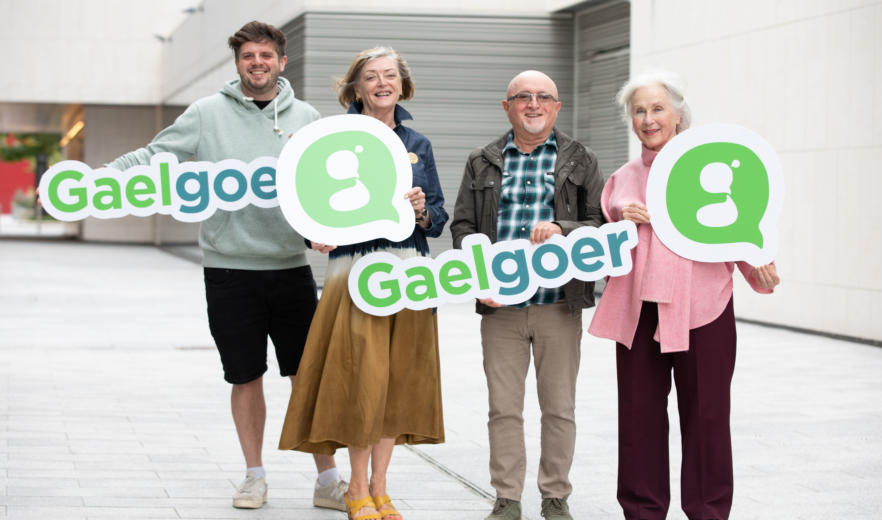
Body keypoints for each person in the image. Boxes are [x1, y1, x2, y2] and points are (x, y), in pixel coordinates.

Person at [108, 21, 347, 512]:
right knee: (245, 376)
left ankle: (328, 480)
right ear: (237, 64)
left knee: (308, 376)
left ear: (282, 61)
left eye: (265, 55)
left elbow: (325, 184)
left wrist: (324, 230)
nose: (256, 63)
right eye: (247, 57)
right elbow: (155, 156)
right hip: (228, 268)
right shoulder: (205, 113)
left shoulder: (307, 116)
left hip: (288, 268)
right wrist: (99, 181)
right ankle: (254, 476)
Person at [588, 69, 781, 520]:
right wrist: (620, 218)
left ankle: (709, 512)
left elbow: (736, 225)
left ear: (678, 115)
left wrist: (760, 269)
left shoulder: (706, 165)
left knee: (708, 418)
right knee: (638, 421)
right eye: (639, 110)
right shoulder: (621, 179)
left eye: (658, 109)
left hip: (703, 309)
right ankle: (642, 511)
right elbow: (603, 245)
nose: (648, 118)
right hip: (637, 313)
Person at [279, 46, 448, 520]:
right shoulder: (332, 139)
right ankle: (355, 487)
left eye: (389, 75)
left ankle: (380, 486)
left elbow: (437, 219)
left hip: (409, 270)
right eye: (371, 76)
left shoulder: (418, 144)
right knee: (362, 379)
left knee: (397, 379)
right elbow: (308, 206)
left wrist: (422, 210)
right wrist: (315, 234)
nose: (381, 83)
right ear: (355, 87)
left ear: (402, 84)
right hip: (355, 271)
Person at [450, 70, 604, 520]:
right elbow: (462, 228)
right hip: (501, 309)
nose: (533, 104)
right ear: (507, 107)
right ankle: (508, 498)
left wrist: (563, 229)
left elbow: (600, 223)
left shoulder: (581, 158)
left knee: (559, 407)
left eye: (543, 97)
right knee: (503, 409)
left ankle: (555, 497)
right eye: (522, 97)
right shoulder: (482, 160)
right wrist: (482, 279)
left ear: (557, 107)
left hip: (559, 303)